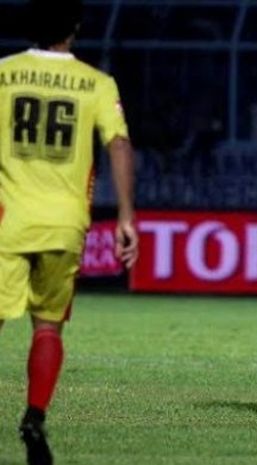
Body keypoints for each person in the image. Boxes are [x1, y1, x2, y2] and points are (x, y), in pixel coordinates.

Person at [0, 1, 138, 463]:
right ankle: (34, 418)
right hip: (64, 223)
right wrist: (124, 215)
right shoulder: (96, 84)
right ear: (75, 28)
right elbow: (118, 143)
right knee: (48, 326)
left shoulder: (5, 73)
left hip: (7, 221)